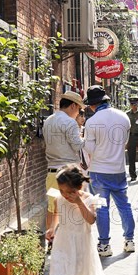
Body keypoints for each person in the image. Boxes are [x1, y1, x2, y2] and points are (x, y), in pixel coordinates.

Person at [46, 165, 105, 275]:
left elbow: (91, 220)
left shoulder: (89, 199)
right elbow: (57, 214)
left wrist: (79, 202)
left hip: (81, 243)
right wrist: (52, 228)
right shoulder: (59, 199)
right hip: (63, 241)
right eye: (61, 191)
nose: (64, 195)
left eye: (68, 192)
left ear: (78, 187)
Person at [83, 85, 136, 256]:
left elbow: (89, 149)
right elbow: (125, 143)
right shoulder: (124, 117)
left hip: (99, 170)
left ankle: (105, 246)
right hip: (119, 169)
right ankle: (129, 240)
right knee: (124, 205)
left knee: (102, 208)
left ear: (93, 105)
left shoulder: (91, 122)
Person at [42, 91, 85, 251]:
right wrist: (86, 139)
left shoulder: (49, 120)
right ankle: (68, 244)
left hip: (52, 171)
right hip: (68, 173)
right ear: (73, 105)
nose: (78, 113)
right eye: (79, 110)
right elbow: (77, 146)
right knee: (72, 209)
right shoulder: (69, 122)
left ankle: (51, 241)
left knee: (52, 209)